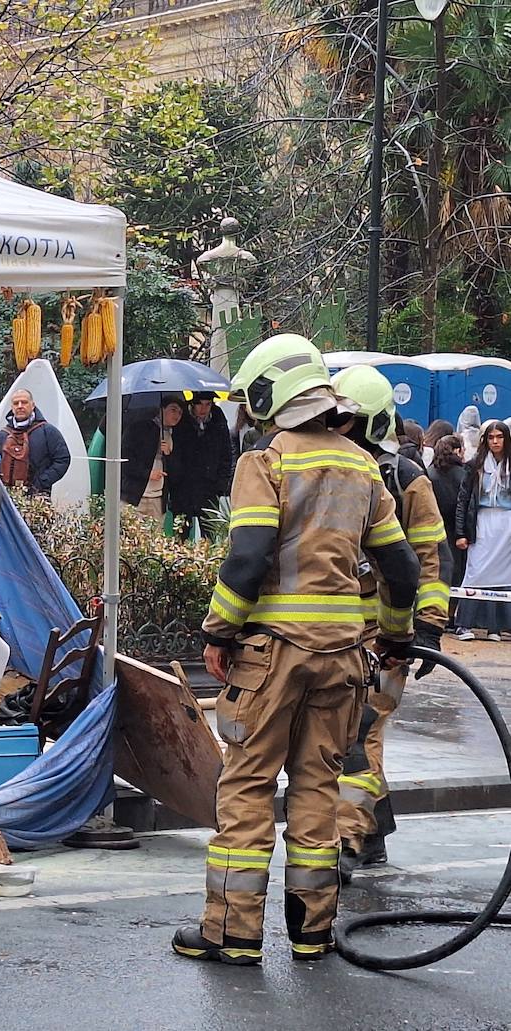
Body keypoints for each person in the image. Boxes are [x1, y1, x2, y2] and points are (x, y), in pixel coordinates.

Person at [171, 334, 419, 967]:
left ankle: (233, 933)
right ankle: (312, 932)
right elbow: (402, 566)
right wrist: (394, 635)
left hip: (273, 656)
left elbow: (248, 556)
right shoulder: (364, 467)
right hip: (342, 657)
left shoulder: (268, 461)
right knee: (317, 788)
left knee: (249, 786)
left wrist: (218, 631)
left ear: (269, 396)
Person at [332, 366, 452, 881]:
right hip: (338, 629)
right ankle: (373, 829)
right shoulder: (334, 468)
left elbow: (430, 557)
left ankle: (350, 836)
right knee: (349, 731)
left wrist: (425, 626)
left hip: (388, 631)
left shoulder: (406, 477)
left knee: (361, 731)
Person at [453, 420, 511, 642]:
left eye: (500, 437)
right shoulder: (475, 464)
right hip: (482, 522)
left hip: (507, 524)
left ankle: (494, 627)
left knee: (502, 575)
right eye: (491, 437)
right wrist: (461, 533)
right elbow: (463, 500)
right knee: (476, 572)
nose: (495, 441)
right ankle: (463, 623)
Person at [169, 393, 236, 529]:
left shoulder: (217, 418)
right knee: (182, 529)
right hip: (183, 486)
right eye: (200, 404)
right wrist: (175, 479)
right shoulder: (181, 419)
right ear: (193, 404)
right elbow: (175, 453)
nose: (203, 409)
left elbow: (226, 453)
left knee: (209, 530)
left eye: (208, 404)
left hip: (209, 485)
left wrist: (221, 483)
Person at [0, 388, 71, 494]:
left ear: (33, 405)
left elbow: (63, 459)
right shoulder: (2, 435)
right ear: (12, 407)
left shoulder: (48, 432)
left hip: (38, 497)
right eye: (16, 403)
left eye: (24, 402)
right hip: (5, 496)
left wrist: (40, 483)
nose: (20, 406)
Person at [121, 396, 185, 521]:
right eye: (173, 410)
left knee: (156, 536)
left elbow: (178, 472)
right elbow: (126, 460)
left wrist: (168, 455)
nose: (177, 415)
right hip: (135, 496)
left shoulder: (177, 436)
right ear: (161, 409)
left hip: (158, 498)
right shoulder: (139, 429)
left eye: (180, 412)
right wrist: (147, 473)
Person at [429, 434, 470, 619]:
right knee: (456, 573)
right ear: (458, 450)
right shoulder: (463, 474)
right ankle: (452, 614)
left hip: (432, 529)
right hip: (457, 532)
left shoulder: (429, 473)